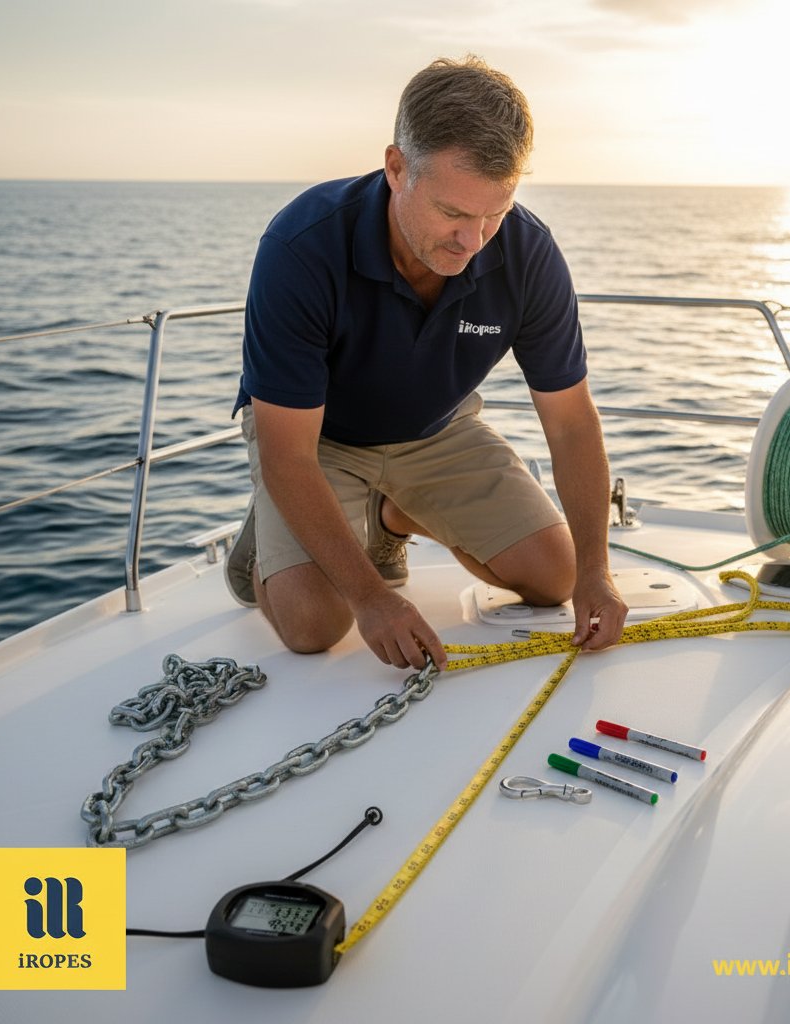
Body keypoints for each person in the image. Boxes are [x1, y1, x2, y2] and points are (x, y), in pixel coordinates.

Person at [227, 54, 627, 671]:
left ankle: (389, 516)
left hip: (439, 429)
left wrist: (599, 574)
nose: (474, 242)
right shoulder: (299, 248)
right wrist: (371, 598)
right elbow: (287, 452)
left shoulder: (528, 253)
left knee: (558, 576)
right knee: (316, 627)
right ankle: (262, 555)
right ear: (396, 168)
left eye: (495, 213)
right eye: (453, 213)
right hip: (316, 441)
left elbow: (572, 423)